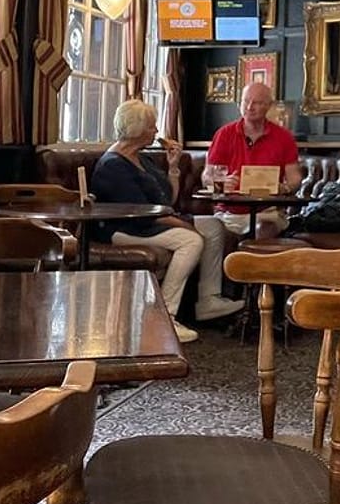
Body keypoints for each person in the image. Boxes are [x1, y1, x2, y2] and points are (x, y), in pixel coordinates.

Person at [90, 99, 244, 344]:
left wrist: (173, 168)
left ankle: (208, 299)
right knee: (191, 240)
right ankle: (165, 316)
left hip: (154, 222)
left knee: (214, 226)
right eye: (152, 126)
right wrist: (183, 224)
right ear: (137, 130)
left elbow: (167, 199)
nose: (156, 132)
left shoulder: (144, 159)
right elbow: (146, 213)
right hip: (125, 229)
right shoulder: (113, 166)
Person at [206, 81, 303, 238]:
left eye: (257, 102)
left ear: (269, 106)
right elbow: (207, 176)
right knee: (215, 233)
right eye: (246, 101)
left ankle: (257, 261)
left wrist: (283, 188)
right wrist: (221, 182)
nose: (250, 107)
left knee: (264, 228)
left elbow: (295, 179)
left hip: (267, 212)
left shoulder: (284, 137)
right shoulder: (224, 134)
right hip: (228, 212)